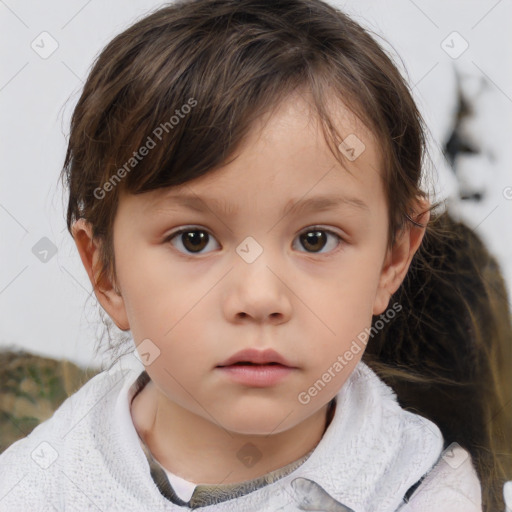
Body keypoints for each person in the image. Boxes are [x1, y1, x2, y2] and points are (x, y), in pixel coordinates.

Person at [0, 0, 510, 510]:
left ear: (391, 260)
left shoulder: (429, 492)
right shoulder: (35, 488)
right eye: (194, 239)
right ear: (105, 271)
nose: (260, 297)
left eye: (315, 239)